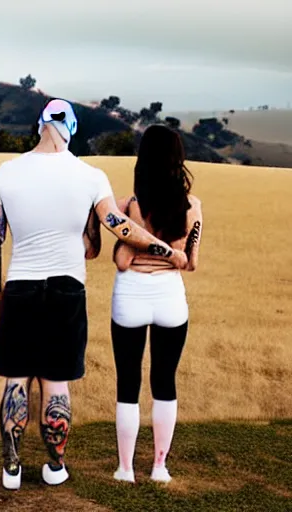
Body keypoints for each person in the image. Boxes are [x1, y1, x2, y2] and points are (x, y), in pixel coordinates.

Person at [0, 99, 188, 491]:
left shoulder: (6, 172)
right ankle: (55, 466)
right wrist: (167, 251)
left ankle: (12, 468)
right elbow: (121, 228)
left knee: (16, 381)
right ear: (71, 128)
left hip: (21, 287)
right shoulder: (90, 175)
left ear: (40, 125)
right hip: (67, 289)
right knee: (56, 383)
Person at [110, 124, 203, 484]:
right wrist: (171, 255)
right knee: (164, 381)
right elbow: (190, 262)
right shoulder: (192, 206)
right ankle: (160, 467)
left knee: (128, 382)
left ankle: (125, 468)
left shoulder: (126, 205)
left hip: (130, 296)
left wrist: (137, 240)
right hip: (170, 298)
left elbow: (121, 261)